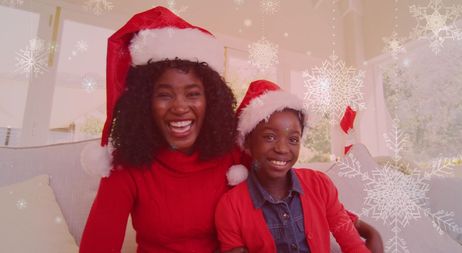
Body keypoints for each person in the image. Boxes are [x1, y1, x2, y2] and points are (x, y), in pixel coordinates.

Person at [79, 6, 245, 253]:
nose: (179, 107)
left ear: (211, 100)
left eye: (193, 94)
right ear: (144, 102)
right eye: (164, 95)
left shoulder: (231, 157)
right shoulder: (125, 167)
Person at [215, 80, 381, 253]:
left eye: (293, 139)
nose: (282, 148)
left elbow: (352, 243)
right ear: (247, 144)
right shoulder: (230, 206)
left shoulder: (320, 184)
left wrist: (371, 235)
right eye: (270, 137)